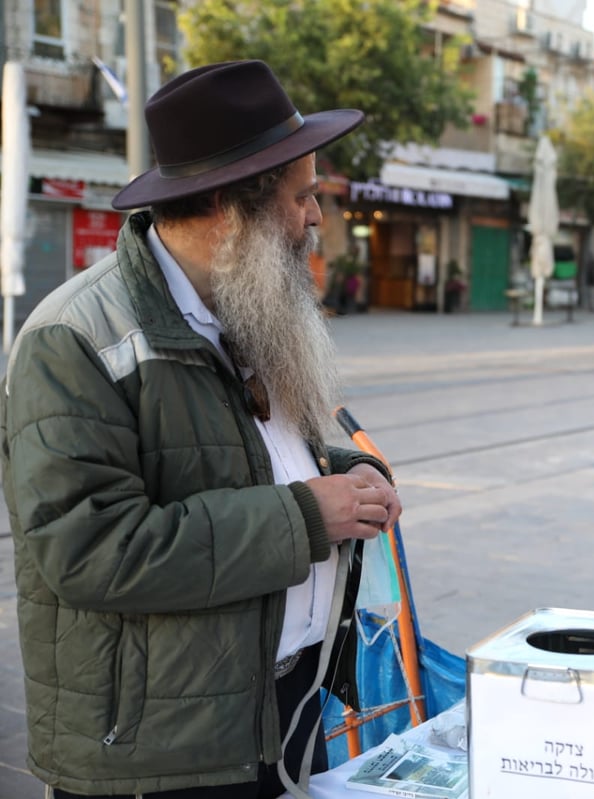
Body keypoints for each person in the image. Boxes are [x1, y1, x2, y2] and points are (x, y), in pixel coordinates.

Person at [0, 60, 403, 798]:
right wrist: (310, 513)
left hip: (279, 711)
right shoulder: (75, 338)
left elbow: (262, 457)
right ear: (228, 205)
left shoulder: (247, 304)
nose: (317, 216)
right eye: (303, 195)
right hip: (162, 750)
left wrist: (348, 472)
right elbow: (88, 550)